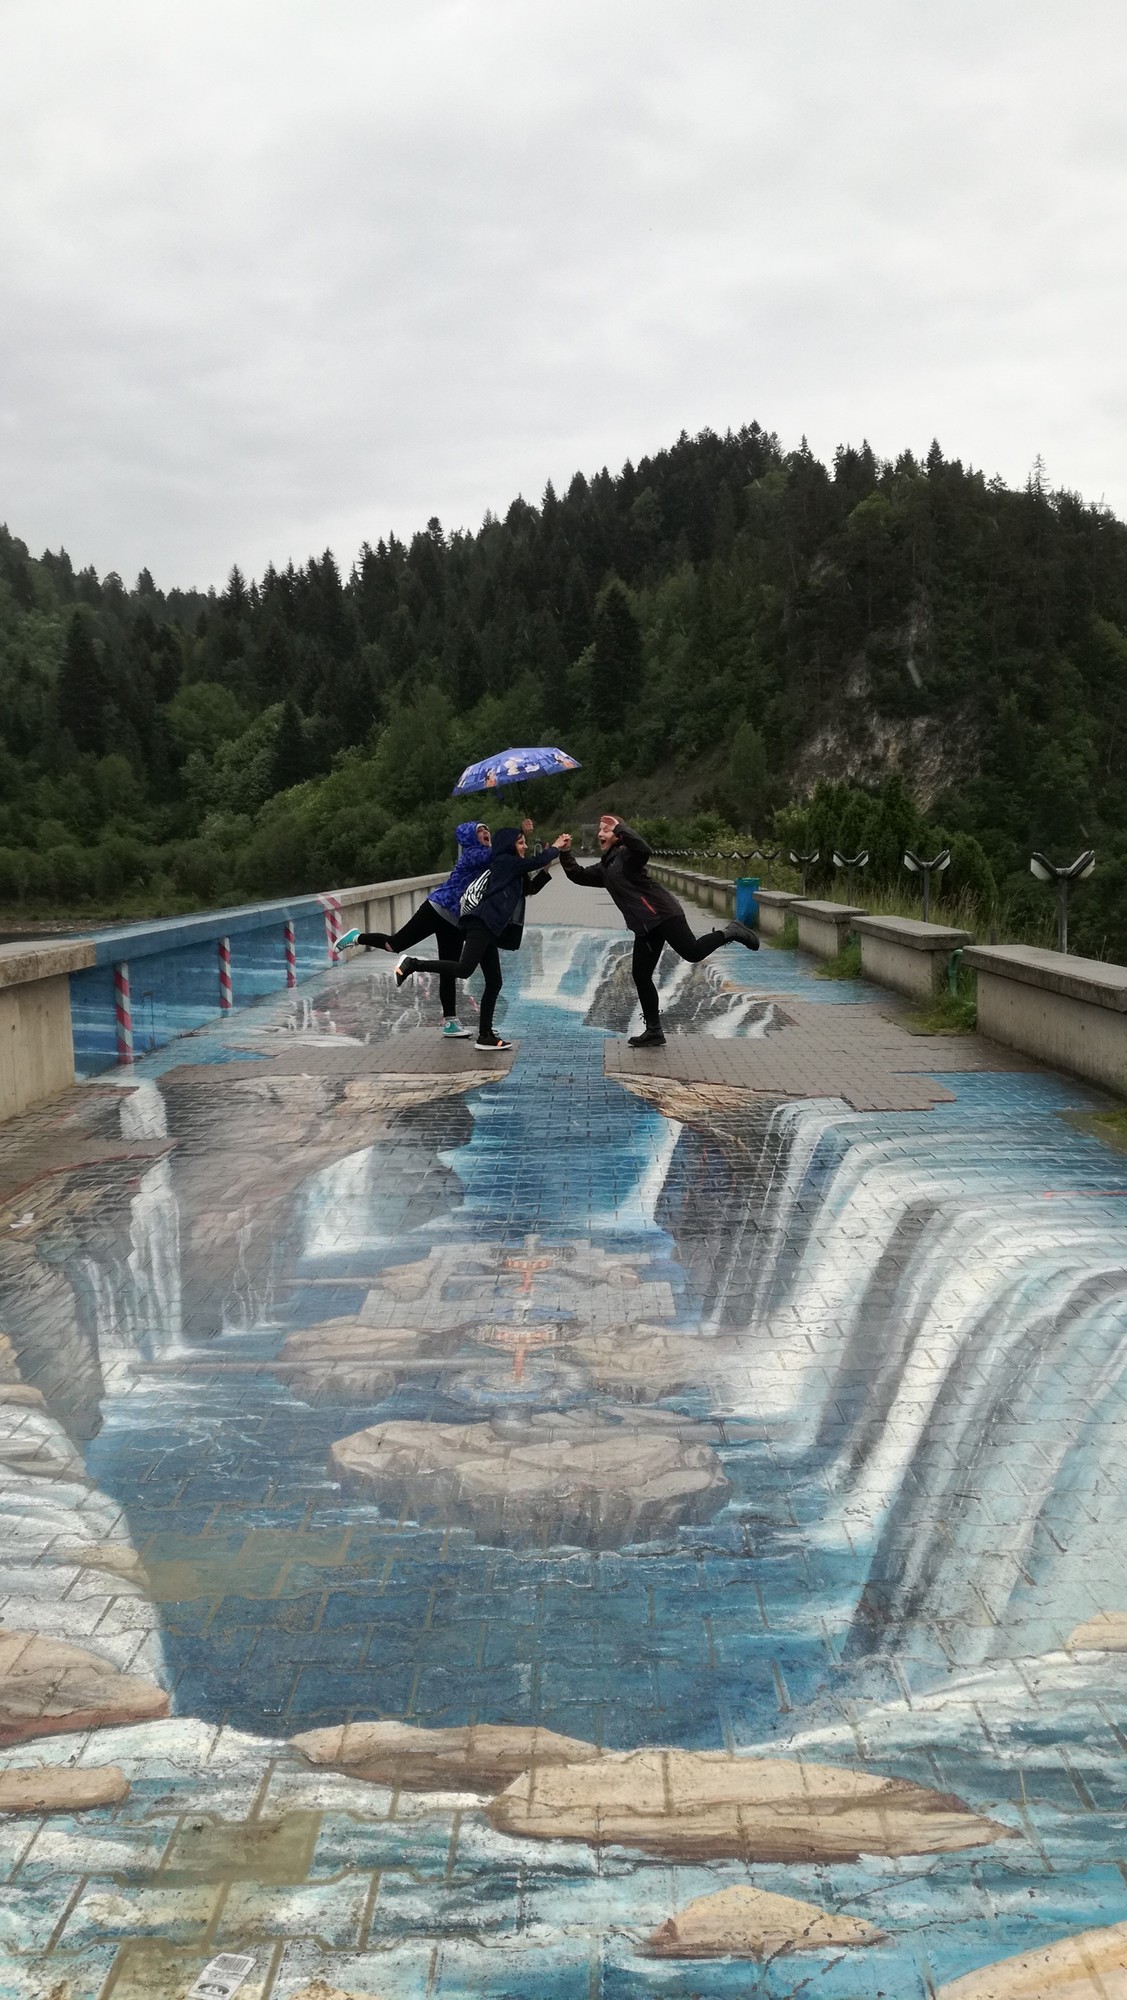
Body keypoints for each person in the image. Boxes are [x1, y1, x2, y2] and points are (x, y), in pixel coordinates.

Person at [558, 814, 759, 1047]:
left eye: (606, 829)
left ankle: (732, 931)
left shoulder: (627, 856)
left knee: (692, 952)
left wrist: (621, 827)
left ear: (618, 835)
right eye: (600, 829)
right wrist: (565, 853)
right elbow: (579, 876)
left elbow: (643, 849)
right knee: (641, 975)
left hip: (663, 914)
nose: (600, 834)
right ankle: (654, 1030)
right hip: (645, 926)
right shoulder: (606, 865)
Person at [337, 818, 525, 1037]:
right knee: (394, 944)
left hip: (455, 921)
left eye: (487, 831)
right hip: (436, 910)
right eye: (480, 831)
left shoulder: (490, 857)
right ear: (470, 838)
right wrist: (519, 835)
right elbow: (499, 855)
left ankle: (451, 1022)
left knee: (450, 968)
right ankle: (357, 937)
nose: (486, 833)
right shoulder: (473, 854)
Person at [395, 826, 563, 1051]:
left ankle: (485, 1036)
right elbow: (535, 861)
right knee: (464, 969)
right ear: (509, 845)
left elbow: (531, 888)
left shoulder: (513, 868)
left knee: (494, 982)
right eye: (521, 843)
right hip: (481, 924)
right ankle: (412, 964)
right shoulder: (505, 861)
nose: (525, 847)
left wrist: (547, 865)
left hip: (489, 928)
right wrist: (555, 847)